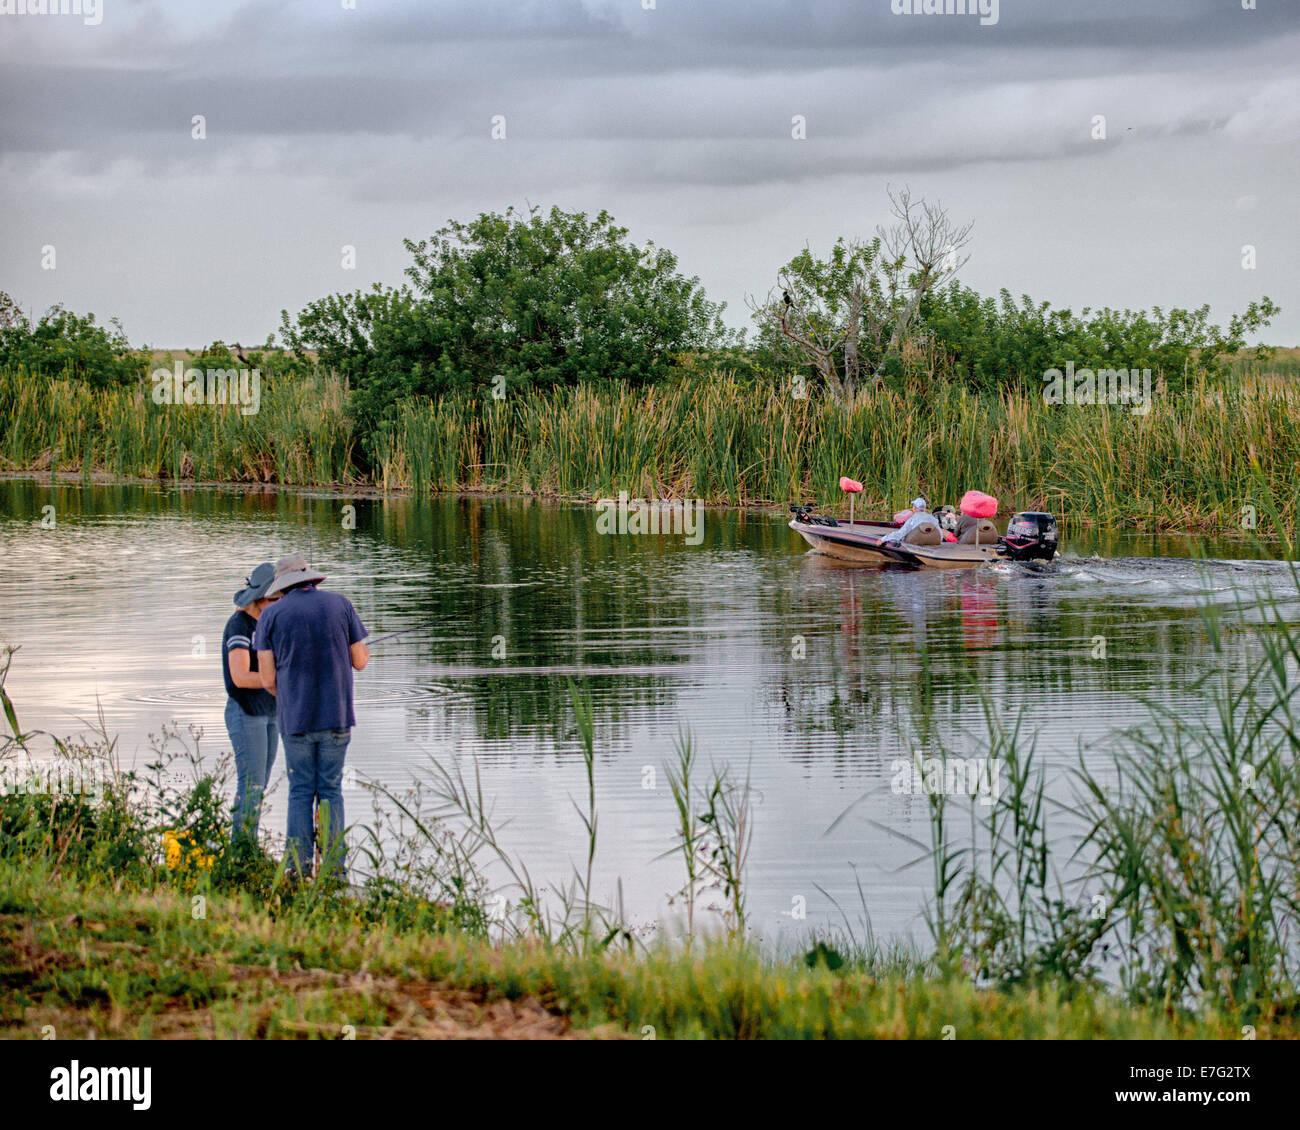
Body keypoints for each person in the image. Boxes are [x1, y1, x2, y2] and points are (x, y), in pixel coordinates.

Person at [253, 554, 368, 878]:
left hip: (295, 721)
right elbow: (359, 661)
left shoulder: (270, 615)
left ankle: (297, 869)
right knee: (331, 790)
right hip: (337, 717)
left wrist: (290, 695)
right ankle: (334, 873)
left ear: (281, 586)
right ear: (309, 577)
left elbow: (266, 680)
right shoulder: (340, 604)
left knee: (300, 791)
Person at [223, 563, 280, 842]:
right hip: (246, 713)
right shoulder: (240, 624)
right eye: (275, 599)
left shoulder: (268, 624)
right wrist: (279, 680)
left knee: (261, 785)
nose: (280, 604)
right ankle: (241, 852)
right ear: (260, 599)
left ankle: (249, 848)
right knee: (251, 785)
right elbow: (241, 676)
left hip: (271, 712)